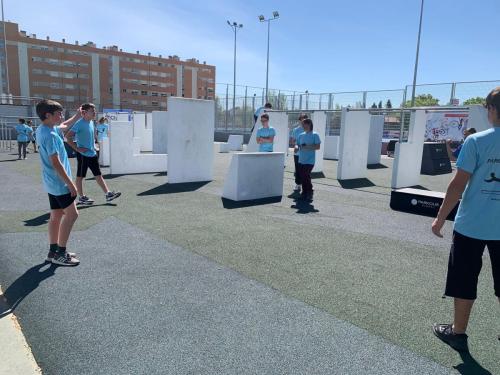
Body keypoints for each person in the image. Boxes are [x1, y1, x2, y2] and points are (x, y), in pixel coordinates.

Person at [431, 87, 500, 352]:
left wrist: (439, 219)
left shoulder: (476, 141)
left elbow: (458, 185)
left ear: (490, 109)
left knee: (464, 278)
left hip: (471, 226)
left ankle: (458, 333)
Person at [35, 99, 82, 266]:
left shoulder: (43, 129)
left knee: (55, 216)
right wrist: (70, 184)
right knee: (72, 214)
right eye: (59, 114)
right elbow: (56, 163)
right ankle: (60, 254)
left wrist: (77, 116)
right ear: (48, 115)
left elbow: (63, 126)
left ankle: (53, 250)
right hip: (60, 183)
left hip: (51, 183)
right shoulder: (51, 135)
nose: (62, 116)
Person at [66, 103, 121, 206]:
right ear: (84, 112)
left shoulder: (91, 122)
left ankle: (108, 194)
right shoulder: (79, 123)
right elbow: (68, 137)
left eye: (94, 110)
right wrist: (77, 149)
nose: (94, 112)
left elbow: (90, 136)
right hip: (83, 155)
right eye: (92, 111)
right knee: (80, 177)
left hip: (92, 154)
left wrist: (94, 145)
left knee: (98, 175)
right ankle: (82, 197)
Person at [296, 118, 321, 202]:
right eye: (302, 125)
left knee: (306, 175)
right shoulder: (300, 135)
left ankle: (309, 192)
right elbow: (298, 145)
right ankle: (304, 192)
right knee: (303, 177)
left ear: (309, 124)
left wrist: (307, 146)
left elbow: (317, 147)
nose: (303, 126)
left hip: (310, 161)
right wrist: (296, 147)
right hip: (301, 160)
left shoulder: (315, 135)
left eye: (304, 125)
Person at [289, 113, 308, 192]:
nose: (303, 120)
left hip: (307, 154)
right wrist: (297, 144)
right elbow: (292, 142)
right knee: (298, 169)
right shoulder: (295, 130)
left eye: (304, 119)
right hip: (297, 154)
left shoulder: (309, 130)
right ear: (299, 120)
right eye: (301, 119)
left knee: (306, 170)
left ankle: (306, 185)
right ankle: (298, 184)